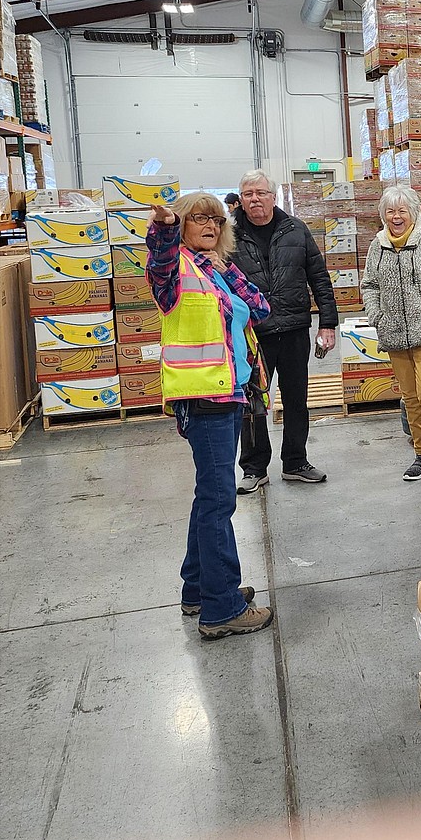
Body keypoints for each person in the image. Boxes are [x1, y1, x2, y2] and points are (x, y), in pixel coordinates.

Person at [146, 193, 274, 640]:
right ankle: (222, 609)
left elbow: (260, 307)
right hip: (203, 398)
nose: (210, 226)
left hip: (228, 394)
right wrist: (163, 229)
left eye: (216, 219)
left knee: (209, 497)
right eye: (198, 219)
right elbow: (159, 259)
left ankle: (198, 589)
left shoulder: (212, 269)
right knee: (220, 501)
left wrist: (226, 270)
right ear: (181, 224)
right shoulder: (174, 272)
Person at [231, 170, 337, 492]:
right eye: (248, 193)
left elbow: (319, 277)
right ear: (241, 198)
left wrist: (328, 323)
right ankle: (254, 468)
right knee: (253, 403)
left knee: (296, 398)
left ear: (273, 197)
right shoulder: (229, 235)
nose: (255, 199)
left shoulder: (296, 229)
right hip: (253, 333)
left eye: (261, 193)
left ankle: (295, 461)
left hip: (293, 330)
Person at [360, 186, 421, 486]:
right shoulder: (378, 245)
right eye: (390, 211)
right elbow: (369, 285)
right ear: (383, 215)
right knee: (410, 397)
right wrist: (377, 315)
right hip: (394, 334)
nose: (396, 217)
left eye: (402, 210)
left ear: (413, 212)